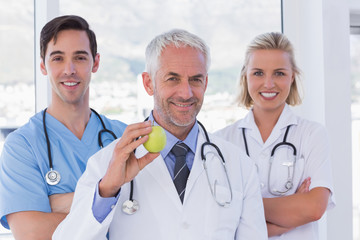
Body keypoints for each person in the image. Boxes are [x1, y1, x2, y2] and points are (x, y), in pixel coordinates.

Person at [52, 29, 268, 239]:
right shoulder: (107, 164)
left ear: (206, 83)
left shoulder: (238, 165)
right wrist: (108, 189)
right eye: (172, 79)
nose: (186, 93)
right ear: (148, 83)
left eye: (195, 79)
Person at [0, 15, 127, 239]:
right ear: (43, 65)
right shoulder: (21, 146)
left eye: (79, 57)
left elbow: (142, 221)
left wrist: (62, 203)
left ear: (95, 63)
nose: (69, 69)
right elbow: (31, 233)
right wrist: (110, 198)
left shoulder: (124, 137)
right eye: (58, 58)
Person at [215, 32, 335, 239]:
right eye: (258, 73)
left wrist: (241, 205)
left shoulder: (312, 134)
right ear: (245, 76)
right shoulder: (221, 142)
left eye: (279, 73)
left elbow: (314, 208)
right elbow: (218, 219)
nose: (269, 84)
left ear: (292, 76)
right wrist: (292, 214)